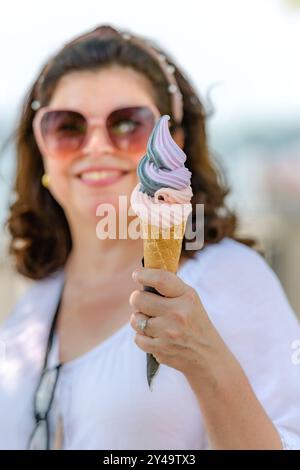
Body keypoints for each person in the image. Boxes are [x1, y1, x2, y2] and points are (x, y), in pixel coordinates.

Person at [0, 25, 300, 450]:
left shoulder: (229, 277)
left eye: (127, 123)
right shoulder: (33, 303)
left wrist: (207, 362)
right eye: (67, 126)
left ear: (174, 143)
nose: (97, 144)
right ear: (41, 149)